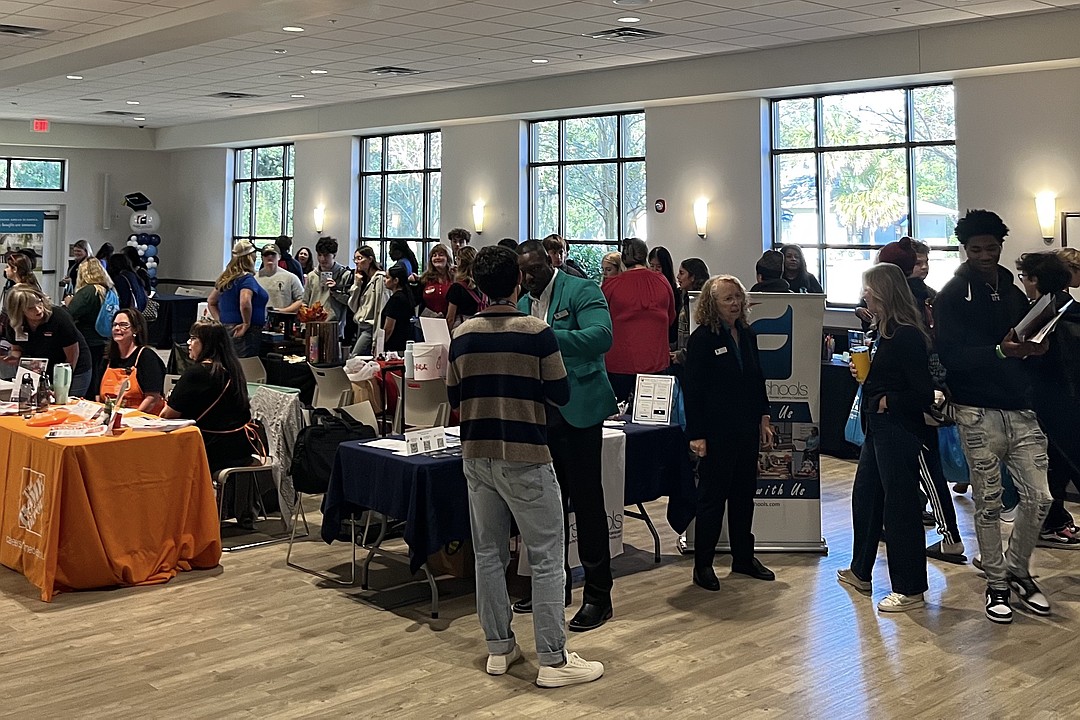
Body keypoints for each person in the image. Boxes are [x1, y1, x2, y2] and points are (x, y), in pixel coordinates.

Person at [446, 245, 604, 688]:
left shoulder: (462, 335)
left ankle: (500, 648)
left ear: (477, 286)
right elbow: (560, 393)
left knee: (489, 555)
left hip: (477, 455)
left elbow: (455, 398)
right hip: (527, 456)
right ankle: (553, 659)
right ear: (517, 283)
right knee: (548, 557)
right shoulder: (537, 332)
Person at [934, 209, 1052, 624]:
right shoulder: (951, 293)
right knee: (987, 501)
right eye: (977, 248)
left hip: (1020, 407)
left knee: (1040, 498)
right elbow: (949, 357)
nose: (985, 254)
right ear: (965, 249)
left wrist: (1034, 350)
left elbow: (1021, 337)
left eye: (992, 247)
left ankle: (1017, 569)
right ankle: (997, 581)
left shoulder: (1012, 288)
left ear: (1001, 246)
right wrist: (1000, 352)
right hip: (975, 409)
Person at [515, 239, 618, 632]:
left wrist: (545, 337)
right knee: (545, 507)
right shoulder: (522, 304)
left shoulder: (582, 290)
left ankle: (598, 595)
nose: (528, 279)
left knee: (588, 505)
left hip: (579, 411)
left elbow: (601, 337)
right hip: (537, 414)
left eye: (534, 270)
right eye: (522, 273)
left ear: (549, 263)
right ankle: (554, 587)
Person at [837, 264, 934, 612]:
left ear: (883, 292)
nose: (865, 295)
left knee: (900, 507)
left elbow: (923, 392)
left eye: (869, 289)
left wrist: (886, 400)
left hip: (896, 427)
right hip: (877, 428)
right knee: (865, 497)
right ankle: (860, 570)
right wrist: (862, 375)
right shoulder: (882, 331)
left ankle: (910, 588)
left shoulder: (905, 334)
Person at [684, 275, 775, 592]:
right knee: (712, 499)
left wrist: (764, 417)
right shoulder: (702, 340)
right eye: (728, 299)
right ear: (712, 304)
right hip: (715, 432)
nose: (735, 303)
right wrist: (696, 434)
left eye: (738, 297)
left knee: (743, 496)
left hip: (746, 428)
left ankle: (743, 558)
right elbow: (692, 391)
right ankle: (703, 565)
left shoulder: (747, 334)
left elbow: (757, 378)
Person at [1015, 252, 1080, 547]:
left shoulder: (1048, 318)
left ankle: (1051, 524)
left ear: (1035, 280)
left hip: (1056, 406)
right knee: (1056, 467)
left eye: (1024, 278)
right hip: (1065, 405)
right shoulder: (1069, 311)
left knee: (1060, 465)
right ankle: (1053, 523)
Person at [162, 320, 259, 478]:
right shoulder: (233, 369)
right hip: (242, 447)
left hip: (211, 450)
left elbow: (167, 416)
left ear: (206, 343)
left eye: (193, 338)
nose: (188, 343)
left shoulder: (197, 373)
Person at [601, 237, 675, 402]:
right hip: (656, 362)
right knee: (656, 420)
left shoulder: (611, 286)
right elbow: (670, 319)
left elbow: (602, 326)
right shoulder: (663, 282)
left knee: (618, 421)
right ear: (645, 255)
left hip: (619, 365)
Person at [3, 284, 93, 398]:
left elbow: (72, 357)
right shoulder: (14, 323)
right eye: (30, 307)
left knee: (64, 403)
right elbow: (17, 349)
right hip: (40, 370)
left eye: (39, 302)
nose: (38, 309)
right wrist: (13, 357)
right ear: (19, 310)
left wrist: (61, 387)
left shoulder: (59, 317)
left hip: (71, 367)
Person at [99, 308, 167, 414]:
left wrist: (131, 417)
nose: (117, 328)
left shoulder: (146, 356)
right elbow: (98, 395)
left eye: (123, 325)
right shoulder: (108, 359)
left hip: (142, 419)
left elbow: (152, 398)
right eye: (114, 324)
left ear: (136, 329)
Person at [209, 239, 269, 358]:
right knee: (244, 367)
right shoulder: (246, 279)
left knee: (231, 363)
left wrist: (220, 321)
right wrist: (246, 323)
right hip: (245, 332)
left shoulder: (226, 278)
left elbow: (211, 301)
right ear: (250, 258)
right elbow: (245, 302)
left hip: (227, 328)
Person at [65, 258, 113, 398]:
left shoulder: (88, 292)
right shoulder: (108, 290)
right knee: (97, 378)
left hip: (87, 340)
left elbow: (70, 314)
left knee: (88, 380)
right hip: (104, 338)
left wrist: (69, 303)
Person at [301, 236, 354, 336]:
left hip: (334, 326)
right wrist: (304, 321)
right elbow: (305, 301)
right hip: (313, 325)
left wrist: (335, 291)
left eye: (326, 255)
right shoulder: (312, 275)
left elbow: (350, 302)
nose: (322, 259)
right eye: (319, 255)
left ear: (333, 255)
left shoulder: (344, 274)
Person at [670, 257, 709, 367]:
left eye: (682, 273)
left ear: (693, 277)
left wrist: (682, 355)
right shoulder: (685, 297)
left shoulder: (700, 302)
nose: (678, 277)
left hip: (695, 363)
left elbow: (699, 338)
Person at [348, 245, 386, 357]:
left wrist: (377, 338)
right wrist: (357, 284)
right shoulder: (363, 280)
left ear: (370, 259)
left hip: (371, 328)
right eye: (355, 259)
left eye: (359, 258)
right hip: (360, 325)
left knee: (355, 357)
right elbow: (353, 306)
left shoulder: (379, 279)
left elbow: (380, 308)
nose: (356, 262)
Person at [647, 246, 682, 345]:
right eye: (651, 265)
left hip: (667, 338)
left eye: (658, 267)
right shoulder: (646, 288)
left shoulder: (674, 292)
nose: (654, 270)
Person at [446, 246, 485, 330]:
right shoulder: (483, 284)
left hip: (463, 328)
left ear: (460, 262)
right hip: (481, 326)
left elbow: (450, 317)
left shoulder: (456, 288)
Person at [256, 244, 303, 314]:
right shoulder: (255, 279)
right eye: (266, 254)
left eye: (273, 254)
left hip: (283, 320)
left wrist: (283, 311)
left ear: (279, 257)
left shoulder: (290, 278)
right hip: (260, 321)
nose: (270, 257)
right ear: (262, 257)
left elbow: (301, 299)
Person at [381, 264, 415, 353]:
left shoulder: (396, 299)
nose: (384, 280)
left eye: (387, 277)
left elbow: (389, 328)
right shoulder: (406, 296)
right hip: (404, 341)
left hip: (394, 345)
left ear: (396, 280)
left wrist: (381, 345)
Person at [419, 243, 454, 317]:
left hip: (451, 321)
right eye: (434, 255)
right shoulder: (425, 279)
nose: (437, 257)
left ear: (448, 258)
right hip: (428, 321)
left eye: (441, 255)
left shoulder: (455, 278)